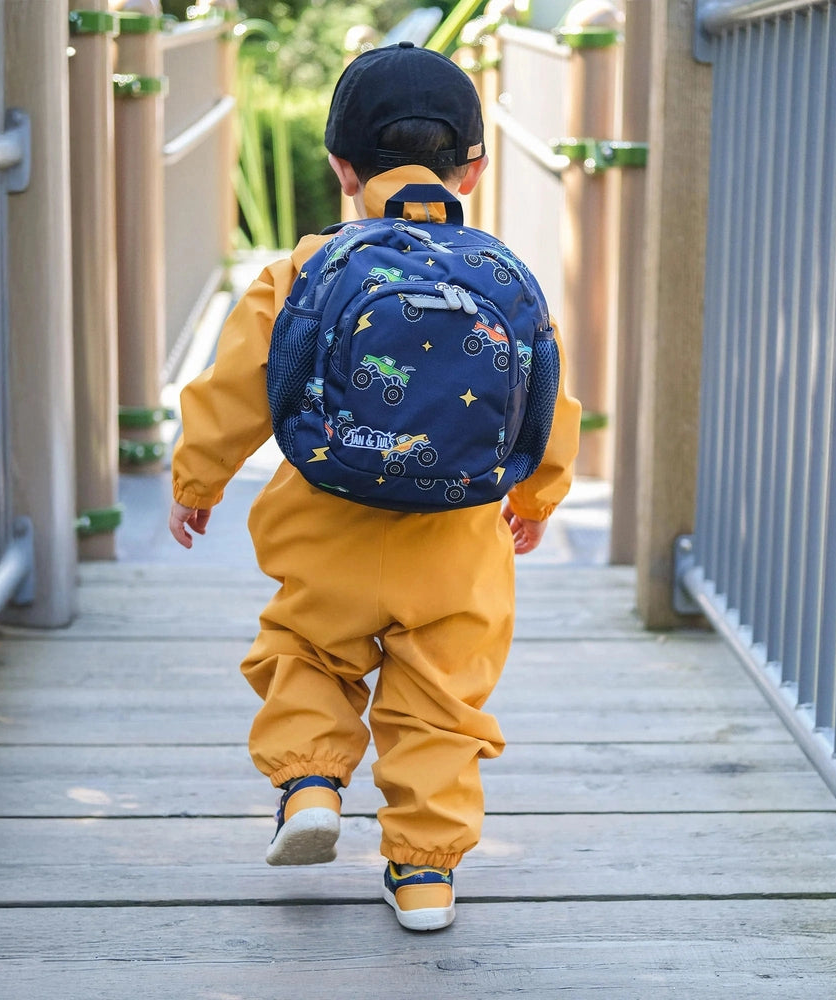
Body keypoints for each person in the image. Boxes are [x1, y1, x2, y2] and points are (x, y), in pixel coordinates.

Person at [169, 41, 581, 932]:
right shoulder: (504, 278)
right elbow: (550, 398)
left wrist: (197, 479)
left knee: (306, 655)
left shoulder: (302, 270)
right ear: (474, 169)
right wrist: (537, 497)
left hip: (327, 529)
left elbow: (235, 386)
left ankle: (311, 786)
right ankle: (424, 876)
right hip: (458, 550)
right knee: (439, 707)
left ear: (342, 168)